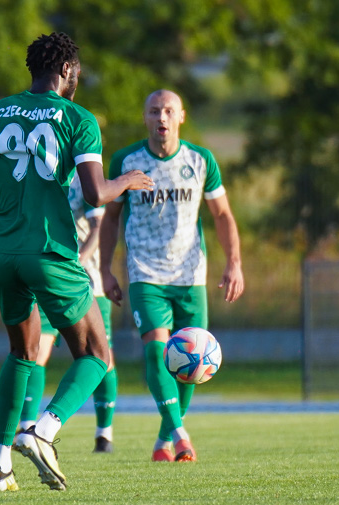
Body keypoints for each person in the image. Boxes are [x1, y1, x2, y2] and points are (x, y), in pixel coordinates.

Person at [0, 32, 152, 491]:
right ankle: (43, 431)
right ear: (68, 72)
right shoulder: (77, 117)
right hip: (50, 252)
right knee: (96, 353)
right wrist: (128, 178)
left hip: (4, 255)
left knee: (23, 352)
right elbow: (95, 193)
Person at [99, 89, 243, 463]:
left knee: (195, 364)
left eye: (168, 111)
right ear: (145, 118)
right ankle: (180, 436)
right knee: (156, 350)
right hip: (146, 273)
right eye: (153, 111)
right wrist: (104, 269)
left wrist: (234, 263)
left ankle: (164, 439)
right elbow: (110, 218)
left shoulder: (200, 160)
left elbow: (223, 215)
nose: (161, 117)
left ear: (181, 117)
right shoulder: (126, 161)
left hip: (191, 274)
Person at [0, 174, 119, 454]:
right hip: (42, 277)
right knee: (35, 351)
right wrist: (1, 285)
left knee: (102, 358)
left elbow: (98, 228)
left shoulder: (85, 177)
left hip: (85, 282)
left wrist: (75, 263)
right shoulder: (37, 178)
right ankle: (27, 426)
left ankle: (103, 433)